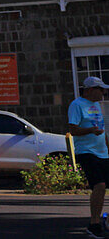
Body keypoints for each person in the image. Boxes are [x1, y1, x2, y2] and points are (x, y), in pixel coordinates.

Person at [68, 75, 109, 238]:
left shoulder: (97, 105)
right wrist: (91, 131)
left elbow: (101, 129)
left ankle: (104, 220)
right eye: (101, 90)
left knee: (103, 186)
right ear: (90, 90)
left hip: (102, 152)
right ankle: (94, 224)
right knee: (99, 186)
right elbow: (73, 129)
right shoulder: (76, 105)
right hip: (86, 152)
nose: (103, 93)